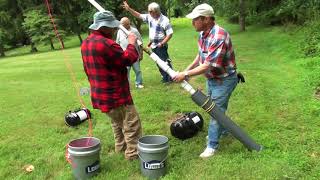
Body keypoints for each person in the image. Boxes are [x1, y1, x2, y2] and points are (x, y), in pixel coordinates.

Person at [173, 4, 238, 158]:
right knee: (214, 109)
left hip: (224, 80)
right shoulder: (204, 34)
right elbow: (201, 56)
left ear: (207, 19)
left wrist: (186, 73)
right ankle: (225, 131)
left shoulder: (219, 36)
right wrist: (186, 72)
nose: (192, 23)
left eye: (195, 19)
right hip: (213, 80)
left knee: (215, 112)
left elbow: (208, 65)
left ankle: (212, 145)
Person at [81, 11, 142, 160]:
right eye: (112, 27)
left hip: (100, 95)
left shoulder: (86, 43)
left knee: (117, 122)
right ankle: (133, 155)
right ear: (104, 27)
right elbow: (128, 59)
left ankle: (120, 147)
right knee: (131, 124)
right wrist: (132, 43)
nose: (115, 29)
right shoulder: (107, 44)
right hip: (116, 95)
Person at [122, 1, 174, 83]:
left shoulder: (165, 20)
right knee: (158, 62)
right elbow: (138, 15)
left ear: (156, 11)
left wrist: (162, 43)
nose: (149, 13)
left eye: (151, 12)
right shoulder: (150, 17)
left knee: (164, 61)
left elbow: (170, 34)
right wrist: (129, 9)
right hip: (153, 45)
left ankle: (170, 78)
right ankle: (165, 77)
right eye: (149, 12)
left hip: (161, 45)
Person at [116, 17, 144, 89]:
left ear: (128, 24)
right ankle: (126, 85)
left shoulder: (134, 31)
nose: (123, 26)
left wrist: (141, 54)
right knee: (126, 71)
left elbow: (140, 43)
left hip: (135, 55)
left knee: (137, 70)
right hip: (124, 56)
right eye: (122, 24)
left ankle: (139, 83)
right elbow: (117, 43)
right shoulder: (119, 31)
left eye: (125, 24)